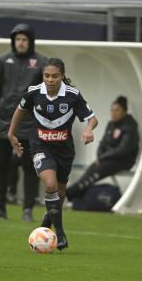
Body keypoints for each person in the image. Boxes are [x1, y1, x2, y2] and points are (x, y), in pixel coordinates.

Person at [7, 58, 98, 250]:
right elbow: (19, 110)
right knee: (50, 184)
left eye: (55, 76)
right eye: (46, 76)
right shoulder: (34, 92)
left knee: (60, 194)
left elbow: (92, 119)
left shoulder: (72, 95)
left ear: (62, 76)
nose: (50, 80)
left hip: (64, 151)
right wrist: (11, 134)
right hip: (40, 146)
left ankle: (46, 222)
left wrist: (88, 129)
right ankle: (61, 233)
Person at [0, 23, 46, 222]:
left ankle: (28, 209)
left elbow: (46, 95)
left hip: (30, 124)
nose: (21, 43)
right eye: (18, 39)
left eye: (24, 40)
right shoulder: (4, 60)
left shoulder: (41, 62)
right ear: (14, 41)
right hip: (4, 123)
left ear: (30, 42)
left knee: (31, 167)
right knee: (2, 166)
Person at [66, 96, 139, 201]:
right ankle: (74, 194)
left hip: (124, 161)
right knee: (92, 168)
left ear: (124, 111)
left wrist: (103, 157)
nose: (113, 113)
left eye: (117, 110)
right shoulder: (111, 124)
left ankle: (69, 193)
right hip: (108, 159)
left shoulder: (130, 125)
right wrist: (100, 156)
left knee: (98, 169)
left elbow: (124, 150)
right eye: (112, 110)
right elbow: (102, 143)